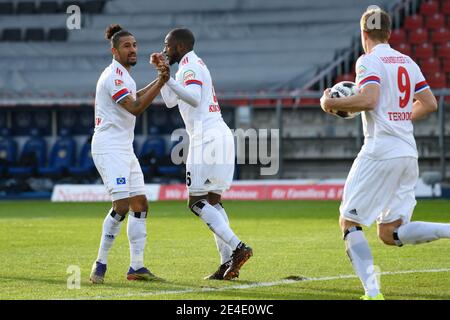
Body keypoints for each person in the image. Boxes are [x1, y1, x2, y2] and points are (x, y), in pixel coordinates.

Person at [320, 8, 450, 300]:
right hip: (406, 151)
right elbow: (429, 103)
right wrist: (400, 117)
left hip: (380, 152)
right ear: (389, 33)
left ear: (363, 33)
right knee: (390, 232)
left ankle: (372, 292)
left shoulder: (368, 60)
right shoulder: (406, 61)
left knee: (349, 222)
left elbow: (369, 98)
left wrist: (329, 102)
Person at [151, 28, 253, 280]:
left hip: (205, 138)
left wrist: (171, 79)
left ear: (181, 46)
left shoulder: (190, 66)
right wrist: (163, 74)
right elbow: (170, 101)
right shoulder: (189, 66)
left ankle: (239, 248)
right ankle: (226, 262)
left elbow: (194, 99)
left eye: (168, 45)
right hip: (218, 134)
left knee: (196, 202)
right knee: (213, 201)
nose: (165, 49)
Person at [89, 24, 169, 284]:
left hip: (124, 147)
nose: (133, 49)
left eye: (134, 45)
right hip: (109, 146)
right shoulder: (113, 76)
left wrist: (160, 80)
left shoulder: (125, 76)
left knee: (140, 204)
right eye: (127, 46)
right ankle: (100, 264)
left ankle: (137, 267)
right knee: (122, 205)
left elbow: (136, 95)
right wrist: (162, 83)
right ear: (114, 50)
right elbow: (135, 107)